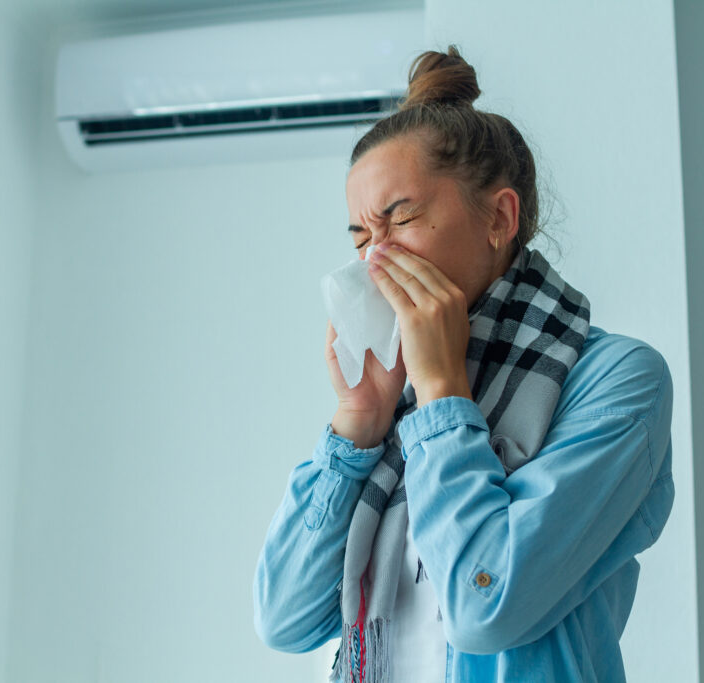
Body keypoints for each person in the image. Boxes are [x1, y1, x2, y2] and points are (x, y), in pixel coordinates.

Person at [252, 45, 674, 683]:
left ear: (499, 218)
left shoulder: (617, 381)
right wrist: (358, 420)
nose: (374, 261)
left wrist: (444, 394)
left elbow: (487, 606)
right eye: (362, 238)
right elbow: (284, 620)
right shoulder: (392, 406)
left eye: (402, 220)